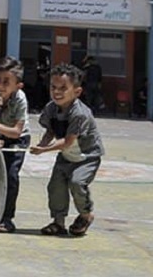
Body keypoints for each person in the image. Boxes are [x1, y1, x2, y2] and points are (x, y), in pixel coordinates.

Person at [31, 62, 105, 238]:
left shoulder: (79, 113)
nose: (57, 91)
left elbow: (68, 141)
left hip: (87, 156)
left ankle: (86, 215)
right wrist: (42, 143)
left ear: (77, 92)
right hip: (66, 156)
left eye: (63, 88)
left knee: (77, 183)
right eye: (53, 87)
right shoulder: (50, 108)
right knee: (55, 187)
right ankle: (58, 222)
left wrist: (44, 150)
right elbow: (50, 131)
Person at [0, 56, 29, 234]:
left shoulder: (19, 99)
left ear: (18, 85)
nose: (0, 86)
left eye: (6, 82)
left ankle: (7, 218)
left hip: (16, 139)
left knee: (10, 176)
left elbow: (17, 131)